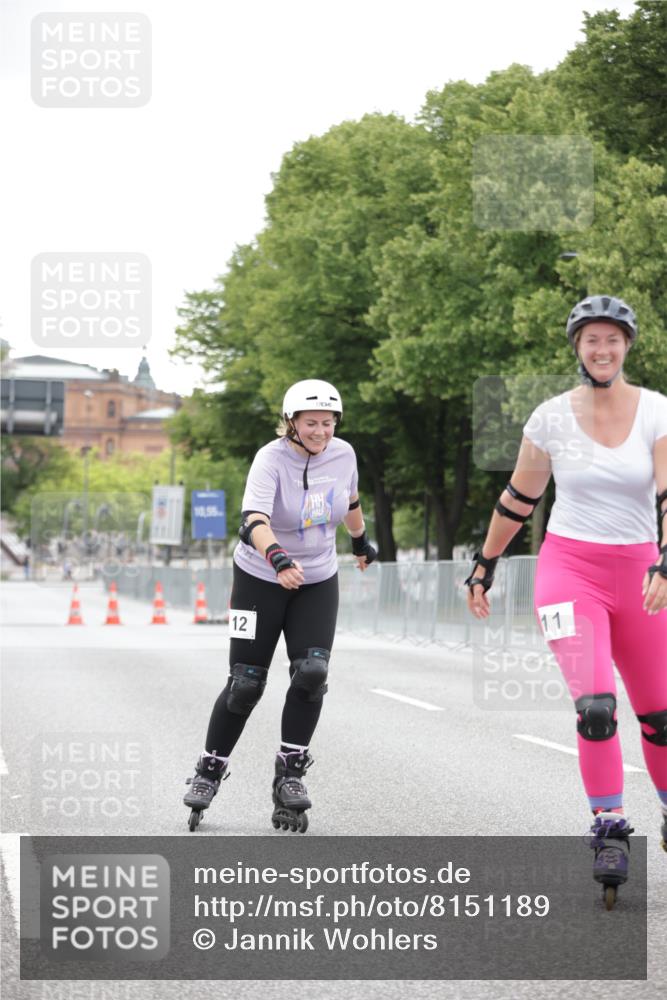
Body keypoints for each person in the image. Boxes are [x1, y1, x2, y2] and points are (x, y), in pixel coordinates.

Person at [465, 295, 667, 904]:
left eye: (612, 339)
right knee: (596, 708)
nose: (602, 349)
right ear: (577, 347)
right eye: (591, 339)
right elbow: (518, 499)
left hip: (641, 573)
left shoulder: (657, 411)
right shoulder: (551, 417)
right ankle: (609, 826)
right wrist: (484, 563)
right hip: (569, 572)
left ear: (627, 346)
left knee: (659, 718)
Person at [184, 379, 377, 832]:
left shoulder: (344, 454)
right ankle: (209, 770)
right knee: (245, 683)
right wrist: (279, 559)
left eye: (328, 423)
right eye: (311, 423)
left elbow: (350, 500)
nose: (321, 431)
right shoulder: (269, 459)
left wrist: (360, 541)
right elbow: (252, 520)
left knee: (312, 672)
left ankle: (290, 773)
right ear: (291, 422)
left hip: (317, 578)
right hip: (258, 577)